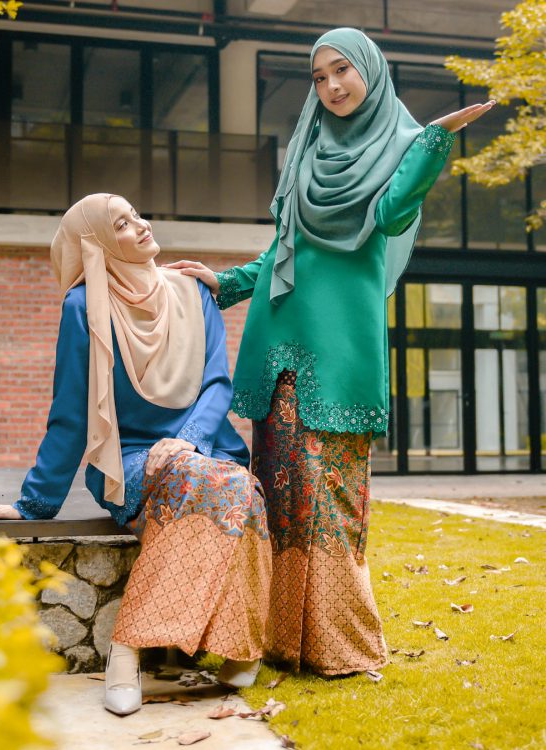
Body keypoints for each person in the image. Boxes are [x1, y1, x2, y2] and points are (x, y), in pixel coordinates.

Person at [166, 28, 494, 677]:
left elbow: (392, 214)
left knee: (332, 501)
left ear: (370, 69)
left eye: (342, 70)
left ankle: (342, 646)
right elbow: (282, 249)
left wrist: (434, 141)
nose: (332, 86)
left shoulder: (402, 146)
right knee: (278, 501)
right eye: (319, 77)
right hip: (277, 348)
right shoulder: (307, 151)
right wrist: (225, 283)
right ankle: (277, 642)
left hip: (341, 355)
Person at [0, 193, 272, 714]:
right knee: (210, 482)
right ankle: (140, 649)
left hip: (202, 447)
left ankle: (143, 647)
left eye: (136, 215)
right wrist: (33, 505)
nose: (140, 225)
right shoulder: (83, 308)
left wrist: (188, 439)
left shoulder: (193, 292)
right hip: (126, 459)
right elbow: (71, 411)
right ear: (98, 244)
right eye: (121, 224)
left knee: (234, 485)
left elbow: (216, 384)